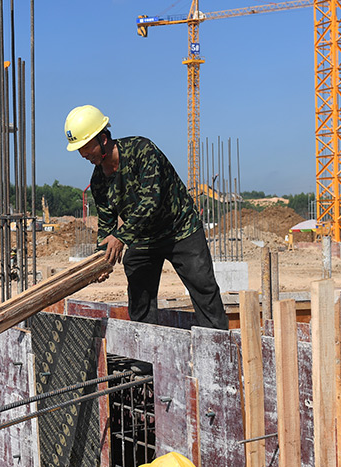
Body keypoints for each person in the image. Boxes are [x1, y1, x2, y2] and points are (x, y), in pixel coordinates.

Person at [65, 105, 229, 330]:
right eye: (79, 150)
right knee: (139, 297)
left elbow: (151, 201)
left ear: (103, 138)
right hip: (143, 238)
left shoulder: (142, 150)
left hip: (180, 230)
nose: (83, 155)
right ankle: (144, 347)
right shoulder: (99, 181)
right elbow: (106, 225)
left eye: (86, 147)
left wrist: (121, 237)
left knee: (204, 289)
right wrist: (100, 262)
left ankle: (218, 344)